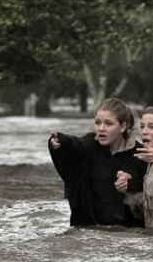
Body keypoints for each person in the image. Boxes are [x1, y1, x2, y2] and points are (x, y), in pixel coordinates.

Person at [48, 97, 147, 227]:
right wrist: (60, 143)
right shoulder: (90, 145)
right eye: (98, 123)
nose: (101, 128)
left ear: (123, 126)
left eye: (108, 124)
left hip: (127, 233)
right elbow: (76, 145)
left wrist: (131, 184)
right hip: (88, 230)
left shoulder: (141, 155)